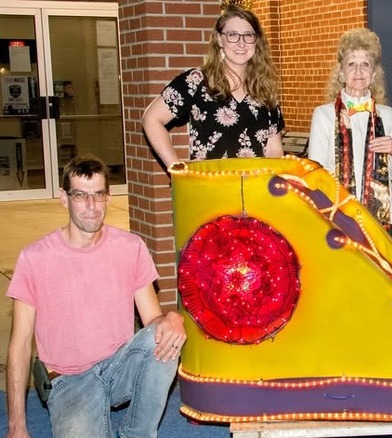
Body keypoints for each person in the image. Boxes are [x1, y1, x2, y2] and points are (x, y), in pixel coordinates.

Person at [5, 156, 186, 437]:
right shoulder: (35, 258)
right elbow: (19, 344)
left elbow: (153, 320)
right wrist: (17, 426)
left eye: (98, 195)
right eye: (80, 195)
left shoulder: (130, 247)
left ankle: (137, 434)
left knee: (164, 336)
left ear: (108, 197)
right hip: (69, 381)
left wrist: (172, 318)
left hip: (118, 368)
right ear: (64, 198)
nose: (91, 205)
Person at [142, 4, 284, 168]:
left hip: (255, 183)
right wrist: (178, 169)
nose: (241, 43)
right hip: (207, 183)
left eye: (248, 35)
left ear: (256, 40)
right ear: (219, 39)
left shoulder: (264, 88)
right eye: (232, 35)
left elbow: (274, 151)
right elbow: (151, 119)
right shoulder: (196, 81)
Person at [308, 28, 392, 236]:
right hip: (338, 219)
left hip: (383, 221)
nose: (358, 71)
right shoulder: (323, 115)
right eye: (351, 64)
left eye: (365, 64)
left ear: (374, 74)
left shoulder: (387, 115)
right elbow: (316, 175)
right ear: (341, 73)